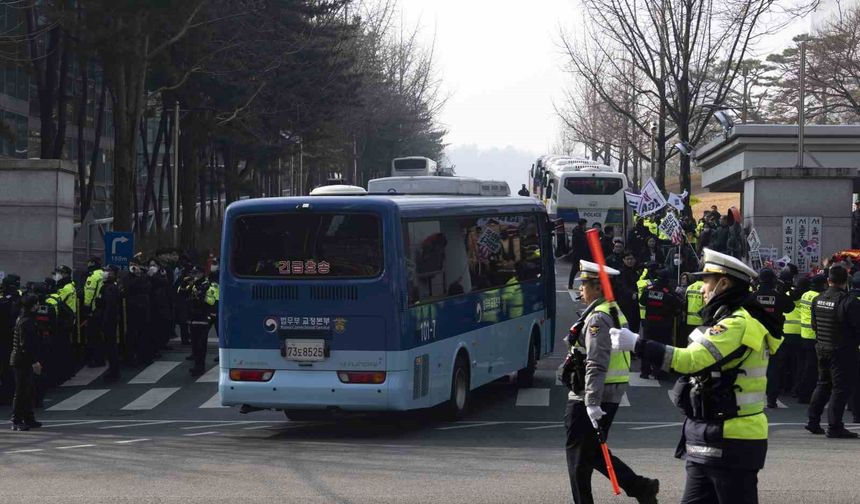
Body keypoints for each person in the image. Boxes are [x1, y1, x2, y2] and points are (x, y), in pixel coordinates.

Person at [611, 248, 782, 504]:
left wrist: (637, 344)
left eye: (706, 281)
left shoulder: (736, 324)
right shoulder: (724, 319)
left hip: (732, 440)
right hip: (708, 436)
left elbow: (689, 361)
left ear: (723, 283)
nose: (701, 288)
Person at [562, 260, 659, 504]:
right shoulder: (612, 310)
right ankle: (640, 486)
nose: (580, 289)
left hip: (592, 393)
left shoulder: (598, 318)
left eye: (584, 284)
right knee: (592, 452)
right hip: (608, 391)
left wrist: (591, 402)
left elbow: (596, 360)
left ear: (598, 288)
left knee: (577, 457)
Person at [805, 265, 860, 438]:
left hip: (822, 347)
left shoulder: (818, 299)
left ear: (829, 280)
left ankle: (813, 422)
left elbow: (814, 325)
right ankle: (835, 427)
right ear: (846, 282)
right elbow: (857, 328)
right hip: (841, 350)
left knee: (823, 384)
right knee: (840, 389)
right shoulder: (848, 301)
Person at [753, 268, 793, 409]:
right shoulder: (777, 296)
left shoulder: (753, 296)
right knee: (774, 369)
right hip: (775, 336)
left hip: (755, 336)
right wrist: (782, 292)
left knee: (753, 367)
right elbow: (790, 307)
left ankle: (753, 396)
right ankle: (771, 399)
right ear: (773, 280)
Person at [639, 269, 682, 378]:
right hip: (663, 325)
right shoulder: (668, 292)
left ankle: (645, 372)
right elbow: (677, 305)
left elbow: (642, 301)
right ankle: (659, 372)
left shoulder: (649, 289)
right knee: (662, 348)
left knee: (646, 346)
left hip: (649, 323)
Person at [10, 294, 43, 431]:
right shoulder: (26, 321)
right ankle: (16, 420)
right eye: (36, 303)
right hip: (21, 360)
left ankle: (29, 418)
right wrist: (34, 362)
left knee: (28, 390)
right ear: (32, 305)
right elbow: (26, 345)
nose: (38, 306)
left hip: (21, 359)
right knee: (21, 391)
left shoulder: (25, 318)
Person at [796, 274, 827, 404]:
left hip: (804, 334)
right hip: (814, 335)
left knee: (805, 366)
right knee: (811, 368)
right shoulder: (818, 297)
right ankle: (805, 394)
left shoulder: (805, 294)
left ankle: (801, 391)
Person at [123, 259, 152, 366]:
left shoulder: (144, 276)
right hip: (131, 308)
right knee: (131, 334)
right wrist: (137, 279)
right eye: (131, 265)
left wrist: (140, 276)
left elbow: (147, 287)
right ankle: (130, 357)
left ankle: (143, 357)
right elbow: (128, 287)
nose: (133, 267)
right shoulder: (127, 277)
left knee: (144, 334)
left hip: (143, 308)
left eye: (134, 265)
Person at [0, 275, 22, 405]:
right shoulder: (21, 301)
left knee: (6, 367)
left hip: (5, 339)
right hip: (16, 339)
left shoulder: (4, 302)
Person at [99, 266, 121, 381]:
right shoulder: (107, 286)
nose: (105, 273)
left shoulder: (110, 288)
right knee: (110, 345)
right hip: (109, 319)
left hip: (109, 321)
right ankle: (113, 370)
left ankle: (114, 371)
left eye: (108, 271)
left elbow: (109, 307)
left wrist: (105, 321)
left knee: (111, 346)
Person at [188, 267, 211, 377]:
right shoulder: (192, 284)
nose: (195, 275)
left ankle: (200, 366)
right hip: (193, 317)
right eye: (194, 273)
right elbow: (182, 293)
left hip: (203, 316)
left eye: (197, 273)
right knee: (195, 343)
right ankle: (197, 364)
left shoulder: (206, 284)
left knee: (201, 344)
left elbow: (203, 299)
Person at [82, 257, 105, 367]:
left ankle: (95, 360)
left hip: (94, 310)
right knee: (100, 336)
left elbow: (89, 294)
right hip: (103, 309)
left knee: (92, 336)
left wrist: (86, 308)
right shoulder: (103, 274)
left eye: (89, 262)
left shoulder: (93, 276)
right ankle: (101, 358)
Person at [617, 251, 641, 334]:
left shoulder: (636, 270)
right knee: (628, 324)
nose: (630, 261)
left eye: (631, 259)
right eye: (628, 259)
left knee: (636, 323)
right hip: (626, 302)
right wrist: (632, 293)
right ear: (623, 260)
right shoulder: (621, 272)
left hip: (636, 301)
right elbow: (623, 286)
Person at [568, 219, 590, 289]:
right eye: (585, 224)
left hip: (579, 254)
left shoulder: (579, 231)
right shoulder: (578, 232)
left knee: (577, 270)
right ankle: (572, 284)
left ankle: (572, 284)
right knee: (577, 270)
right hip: (579, 254)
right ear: (583, 224)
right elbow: (582, 241)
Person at [206, 260, 220, 363]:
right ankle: (196, 353)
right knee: (203, 331)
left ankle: (220, 354)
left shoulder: (221, 275)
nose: (213, 266)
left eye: (215, 265)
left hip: (218, 307)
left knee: (220, 333)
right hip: (209, 306)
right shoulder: (210, 275)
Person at [684, 274, 705, 341]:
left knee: (690, 341)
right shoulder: (706, 287)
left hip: (689, 320)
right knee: (699, 342)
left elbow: (685, 303)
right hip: (701, 321)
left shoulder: (689, 287)